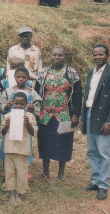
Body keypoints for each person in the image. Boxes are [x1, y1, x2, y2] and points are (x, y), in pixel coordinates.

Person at [82, 44, 110, 200]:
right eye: (95, 54)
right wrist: (82, 118)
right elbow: (87, 97)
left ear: (107, 56)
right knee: (92, 151)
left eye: (101, 54)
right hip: (89, 114)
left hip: (105, 118)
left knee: (104, 153)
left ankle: (103, 185)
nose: (97, 57)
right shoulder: (91, 73)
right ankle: (95, 181)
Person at [35, 46, 82, 181]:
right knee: (44, 141)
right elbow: (37, 94)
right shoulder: (43, 73)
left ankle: (61, 172)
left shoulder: (72, 73)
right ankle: (45, 171)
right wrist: (37, 112)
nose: (57, 57)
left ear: (64, 57)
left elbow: (78, 95)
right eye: (54, 55)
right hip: (45, 115)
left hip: (64, 114)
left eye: (60, 55)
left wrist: (76, 114)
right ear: (50, 56)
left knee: (64, 142)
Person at [2, 92, 36, 205]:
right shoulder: (8, 116)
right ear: (12, 103)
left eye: (22, 104)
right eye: (16, 103)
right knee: (10, 172)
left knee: (22, 173)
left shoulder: (30, 116)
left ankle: (19, 194)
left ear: (26, 104)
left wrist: (28, 124)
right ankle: (11, 194)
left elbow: (33, 133)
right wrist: (7, 125)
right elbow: (2, 132)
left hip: (22, 149)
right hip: (9, 148)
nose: (18, 106)